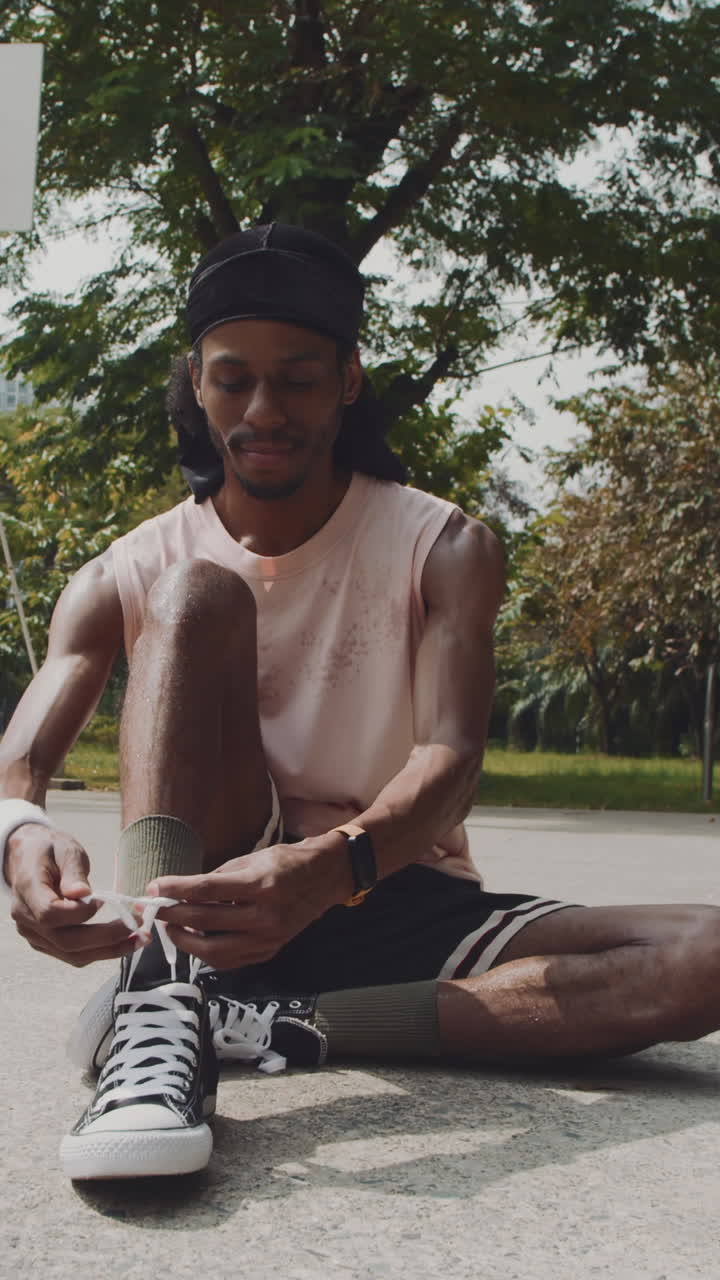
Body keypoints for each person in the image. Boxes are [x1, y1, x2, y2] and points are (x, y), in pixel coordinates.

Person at [1, 224, 718, 1182]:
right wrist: (19, 838)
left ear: (348, 380)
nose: (264, 409)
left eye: (298, 377)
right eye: (232, 378)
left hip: (383, 877)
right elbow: (18, 767)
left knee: (708, 953)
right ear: (197, 382)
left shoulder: (444, 545)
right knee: (193, 595)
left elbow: (450, 761)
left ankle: (269, 1025)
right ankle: (159, 998)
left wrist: (329, 870)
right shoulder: (122, 571)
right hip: (211, 894)